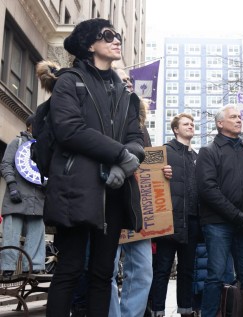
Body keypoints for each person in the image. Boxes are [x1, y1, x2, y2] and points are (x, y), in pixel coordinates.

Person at [43, 18, 144, 317]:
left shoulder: (126, 93)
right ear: (90, 44)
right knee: (70, 270)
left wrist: (124, 166)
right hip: (76, 188)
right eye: (108, 35)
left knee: (103, 274)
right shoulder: (69, 80)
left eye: (118, 36)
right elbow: (69, 129)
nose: (117, 41)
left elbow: (136, 138)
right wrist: (120, 155)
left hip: (113, 191)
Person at [196, 104, 243, 316]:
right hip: (218, 224)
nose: (239, 120)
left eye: (240, 116)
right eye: (233, 116)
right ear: (220, 123)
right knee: (216, 276)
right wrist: (235, 214)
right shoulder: (208, 152)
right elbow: (207, 189)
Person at [108, 68, 153, 317]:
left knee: (143, 271)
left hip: (137, 206)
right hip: (110, 201)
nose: (127, 83)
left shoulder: (140, 126)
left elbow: (147, 162)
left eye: (129, 80)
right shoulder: (104, 114)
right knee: (107, 269)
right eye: (121, 78)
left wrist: (162, 171)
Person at [149, 113, 200, 317]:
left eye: (192, 123)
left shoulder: (196, 156)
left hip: (192, 222)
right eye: (186, 124)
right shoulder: (163, 152)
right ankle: (158, 310)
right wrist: (160, 171)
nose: (191, 126)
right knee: (162, 269)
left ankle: (186, 310)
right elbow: (147, 171)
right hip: (169, 220)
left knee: (188, 271)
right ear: (176, 129)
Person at [0, 115, 46, 276]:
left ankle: (33, 267)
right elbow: (6, 164)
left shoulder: (45, 147)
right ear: (29, 126)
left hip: (38, 198)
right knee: (11, 234)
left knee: (37, 233)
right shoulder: (16, 143)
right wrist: (12, 185)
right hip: (17, 196)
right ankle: (7, 267)